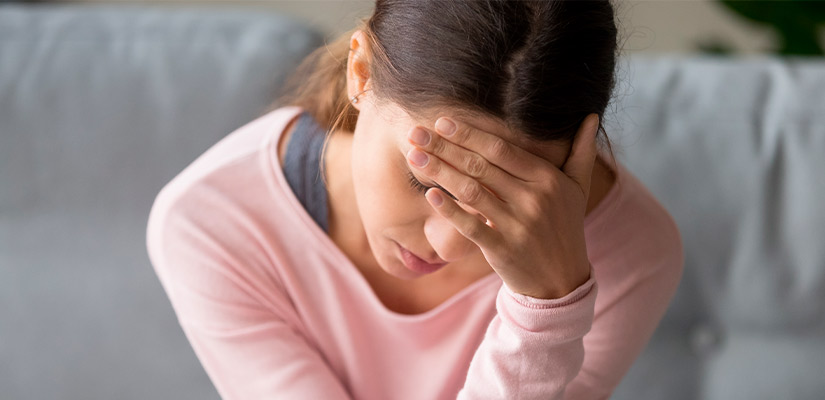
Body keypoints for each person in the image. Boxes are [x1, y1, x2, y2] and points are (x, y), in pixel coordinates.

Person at [145, 1, 684, 399]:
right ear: (361, 73)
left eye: (504, 197)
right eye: (422, 180)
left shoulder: (633, 252)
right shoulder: (211, 219)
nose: (449, 241)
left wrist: (547, 309)